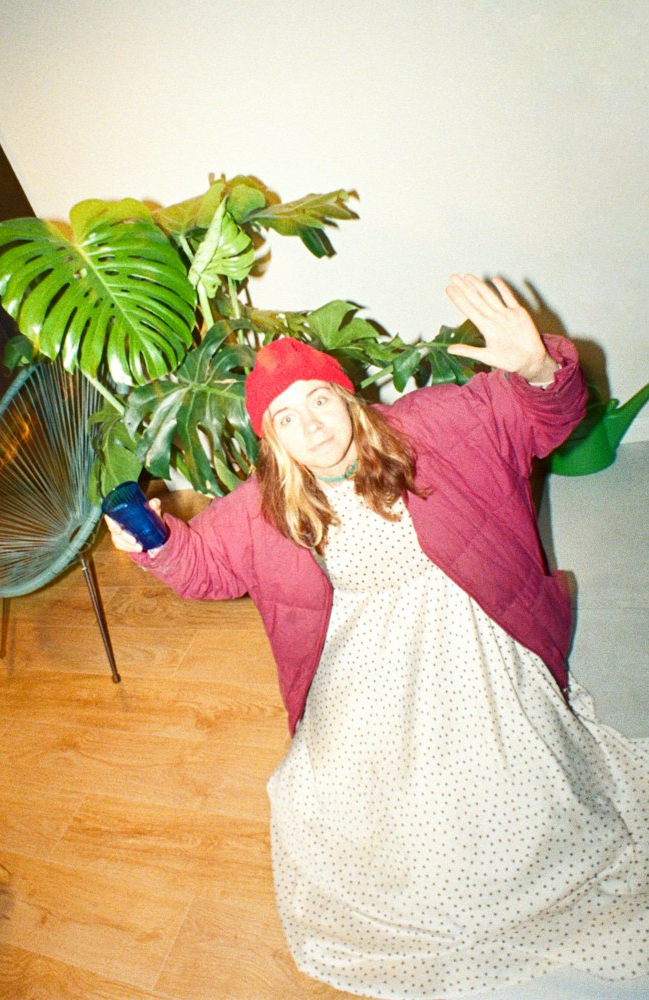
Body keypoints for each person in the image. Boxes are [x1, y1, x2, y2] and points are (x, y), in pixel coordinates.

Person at [105, 274, 649, 1000]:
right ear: (274, 444)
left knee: (508, 793)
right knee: (357, 799)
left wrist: (537, 370)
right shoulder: (265, 506)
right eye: (288, 420)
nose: (314, 427)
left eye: (320, 401)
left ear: (348, 398)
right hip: (362, 655)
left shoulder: (437, 424)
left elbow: (546, 421)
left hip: (473, 628)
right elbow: (204, 566)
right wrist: (154, 544)